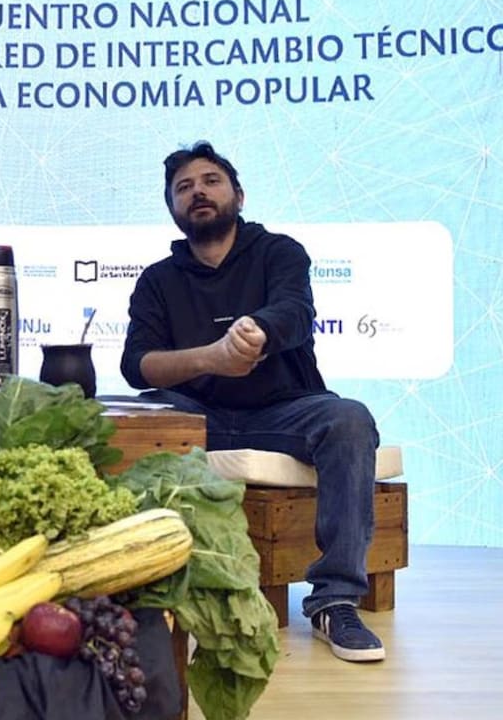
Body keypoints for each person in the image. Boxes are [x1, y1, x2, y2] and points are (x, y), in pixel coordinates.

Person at [120, 141, 385, 663]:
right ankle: (140, 594)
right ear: (173, 210)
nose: (197, 191)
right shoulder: (157, 280)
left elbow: (293, 310)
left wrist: (257, 331)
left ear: (238, 195)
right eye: (183, 187)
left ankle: (335, 600)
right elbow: (138, 364)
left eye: (210, 181)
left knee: (349, 419)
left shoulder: (278, 251)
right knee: (125, 420)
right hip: (199, 419)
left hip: (282, 410)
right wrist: (210, 359)